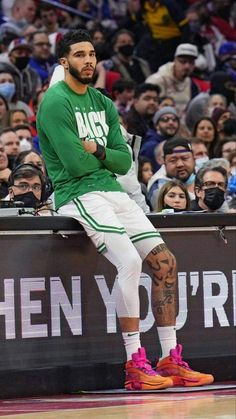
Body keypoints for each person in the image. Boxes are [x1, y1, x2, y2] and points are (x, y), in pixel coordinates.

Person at [37, 29, 213, 390]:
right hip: (78, 193)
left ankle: (170, 358)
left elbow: (123, 161)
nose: (88, 60)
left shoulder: (101, 102)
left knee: (165, 263)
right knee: (130, 262)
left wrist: (98, 152)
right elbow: (72, 164)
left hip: (112, 190)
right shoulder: (55, 102)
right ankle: (135, 362)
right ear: (63, 61)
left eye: (91, 54)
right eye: (79, 54)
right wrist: (102, 158)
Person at [146, 43, 199, 120]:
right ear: (175, 61)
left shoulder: (192, 84)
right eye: (183, 62)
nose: (187, 66)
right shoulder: (157, 80)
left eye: (191, 63)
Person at [147, 138, 196, 210]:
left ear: (193, 158)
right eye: (173, 160)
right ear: (164, 161)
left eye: (185, 158)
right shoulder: (157, 186)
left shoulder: (203, 176)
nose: (180, 164)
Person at [140, 106, 180, 171]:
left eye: (174, 119)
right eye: (165, 119)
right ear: (157, 126)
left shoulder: (178, 142)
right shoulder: (150, 147)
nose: (171, 122)